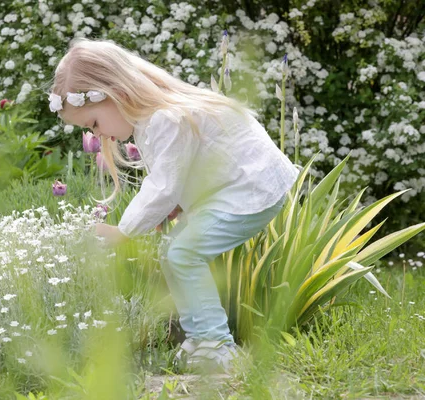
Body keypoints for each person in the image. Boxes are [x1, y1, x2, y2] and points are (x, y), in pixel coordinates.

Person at [47, 37, 299, 370]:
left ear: (116, 94)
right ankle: (200, 341)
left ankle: (218, 346)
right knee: (174, 251)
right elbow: (183, 170)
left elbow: (163, 186)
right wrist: (180, 203)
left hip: (251, 190)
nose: (101, 135)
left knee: (184, 252)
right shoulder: (152, 121)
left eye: (94, 123)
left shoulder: (165, 118)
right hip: (235, 188)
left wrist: (124, 231)